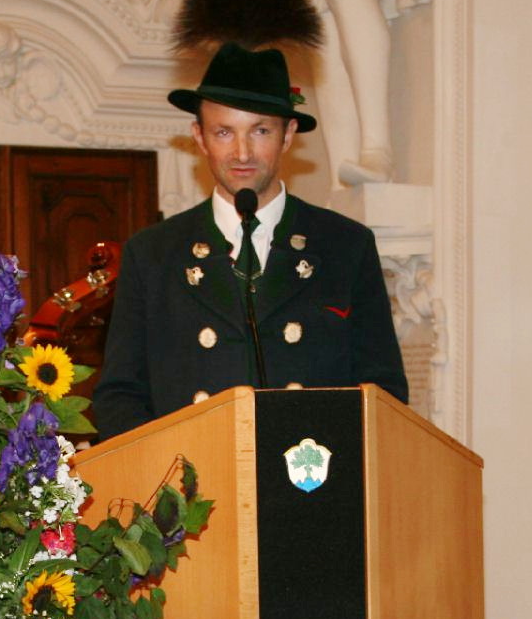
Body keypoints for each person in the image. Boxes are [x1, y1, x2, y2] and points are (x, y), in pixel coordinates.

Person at [91, 41, 409, 438]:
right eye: (224, 132)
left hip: (311, 472)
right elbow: (119, 397)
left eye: (260, 131)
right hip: (192, 473)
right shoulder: (152, 254)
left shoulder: (345, 246)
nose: (242, 153)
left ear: (288, 135)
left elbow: (384, 394)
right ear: (199, 137)